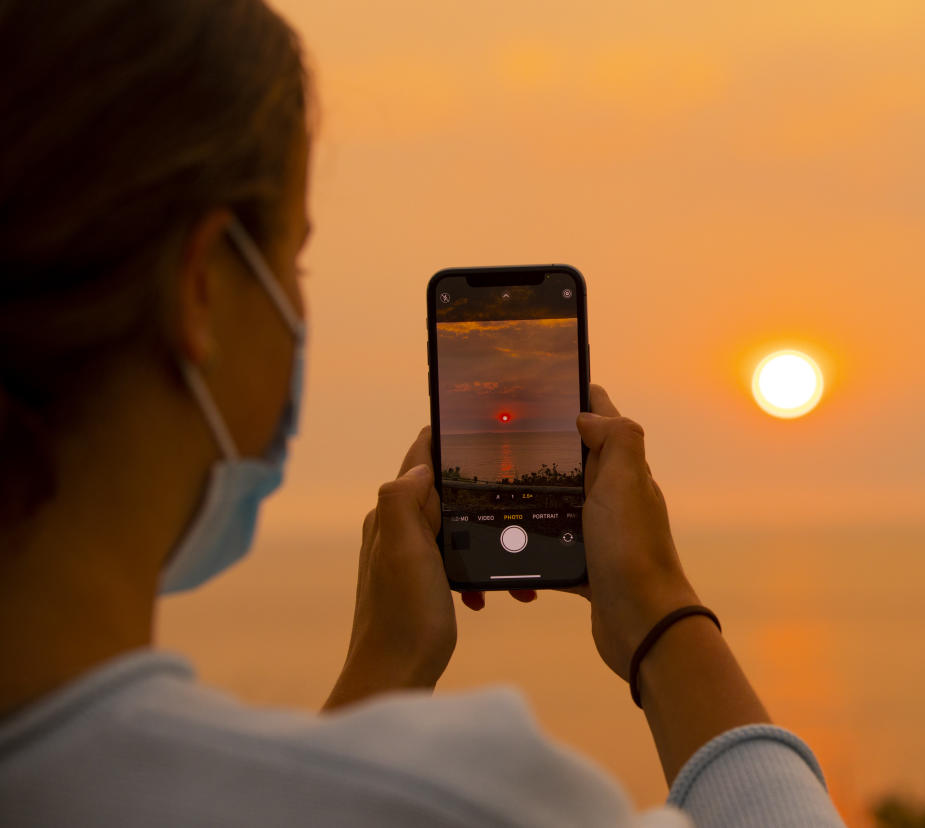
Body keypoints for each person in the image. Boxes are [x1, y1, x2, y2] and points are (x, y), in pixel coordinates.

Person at [0, 1, 845, 825]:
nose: (297, 307)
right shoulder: (474, 799)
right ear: (204, 287)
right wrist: (661, 614)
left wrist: (385, 663)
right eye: (294, 260)